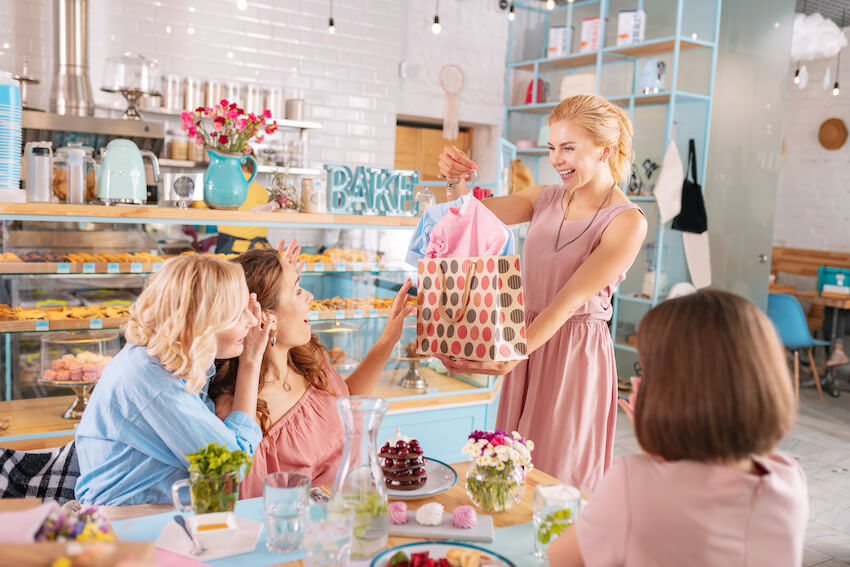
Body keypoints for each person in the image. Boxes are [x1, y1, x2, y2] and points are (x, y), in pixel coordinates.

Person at [436, 94, 647, 493]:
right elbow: (467, 222)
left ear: (605, 149)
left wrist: (510, 354)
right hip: (526, 338)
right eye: (553, 148)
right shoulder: (544, 198)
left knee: (555, 477)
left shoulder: (627, 221)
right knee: (507, 472)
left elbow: (568, 302)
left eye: (569, 148)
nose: (556, 159)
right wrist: (454, 180)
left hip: (573, 354)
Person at [547, 290, 808, 567]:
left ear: (667, 391)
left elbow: (561, 558)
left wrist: (652, 447)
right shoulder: (788, 480)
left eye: (648, 371)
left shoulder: (632, 484)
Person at [209, 244, 413, 497]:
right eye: (296, 290)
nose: (309, 296)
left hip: (355, 506)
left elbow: (346, 396)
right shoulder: (242, 413)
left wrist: (389, 339)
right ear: (266, 317)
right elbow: (249, 501)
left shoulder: (306, 356)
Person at [75, 254, 270, 505]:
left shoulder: (163, 358)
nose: (253, 320)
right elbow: (229, 467)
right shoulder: (155, 381)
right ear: (203, 321)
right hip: (127, 526)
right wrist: (251, 362)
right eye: (238, 313)